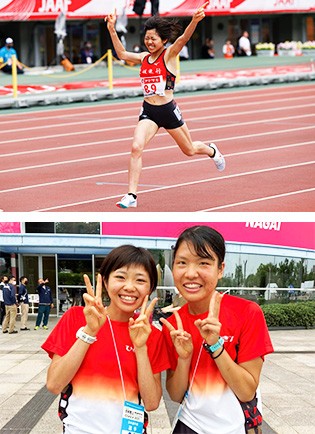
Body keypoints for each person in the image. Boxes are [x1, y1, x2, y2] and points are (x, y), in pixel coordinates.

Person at [105, 2, 225, 209]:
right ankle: (131, 195)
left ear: (164, 40)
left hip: (168, 111)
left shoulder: (168, 55)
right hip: (149, 112)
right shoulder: (143, 58)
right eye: (147, 38)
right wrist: (111, 29)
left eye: (153, 38)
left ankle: (212, 151)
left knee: (188, 150)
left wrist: (194, 21)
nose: (149, 42)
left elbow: (184, 38)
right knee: (136, 147)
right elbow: (123, 55)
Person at [42, 245, 170, 434]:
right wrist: (89, 332)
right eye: (120, 277)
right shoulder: (77, 318)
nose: (129, 287)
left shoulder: (151, 334)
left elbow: (151, 403)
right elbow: (54, 384)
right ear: (105, 280)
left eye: (140, 280)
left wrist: (140, 347)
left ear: (150, 288)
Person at [161, 225, 274, 434]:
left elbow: (247, 391)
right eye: (182, 263)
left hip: (234, 428)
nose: (191, 273)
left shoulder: (247, 312)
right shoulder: (174, 323)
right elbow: (176, 395)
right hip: (189, 425)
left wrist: (216, 346)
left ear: (220, 269)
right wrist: (184, 358)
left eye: (203, 263)